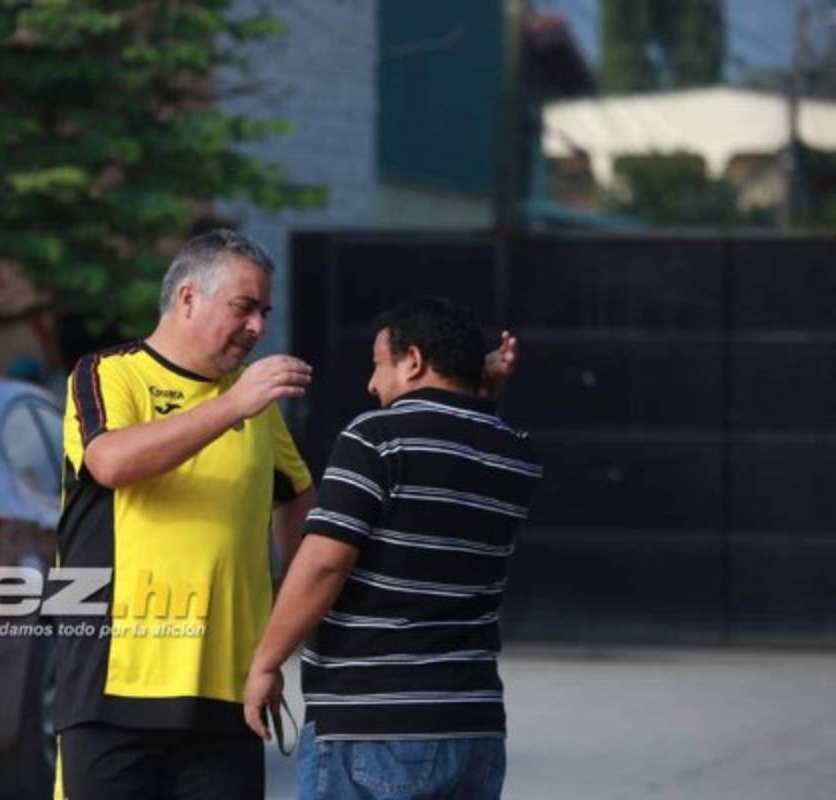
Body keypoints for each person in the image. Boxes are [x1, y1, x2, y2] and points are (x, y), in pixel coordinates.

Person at [243, 296, 542, 800]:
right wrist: (478, 385)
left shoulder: (377, 438)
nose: (371, 383)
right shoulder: (515, 452)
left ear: (414, 361)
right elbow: (457, 439)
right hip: (474, 725)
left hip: (372, 724)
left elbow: (324, 563)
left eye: (379, 364)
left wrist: (266, 663)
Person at [54, 229, 317, 800]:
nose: (257, 329)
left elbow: (297, 497)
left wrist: (281, 626)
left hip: (226, 697)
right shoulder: (107, 374)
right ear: (189, 298)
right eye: (244, 308)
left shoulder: (254, 404)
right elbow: (112, 461)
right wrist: (231, 406)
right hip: (113, 692)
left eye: (264, 313)